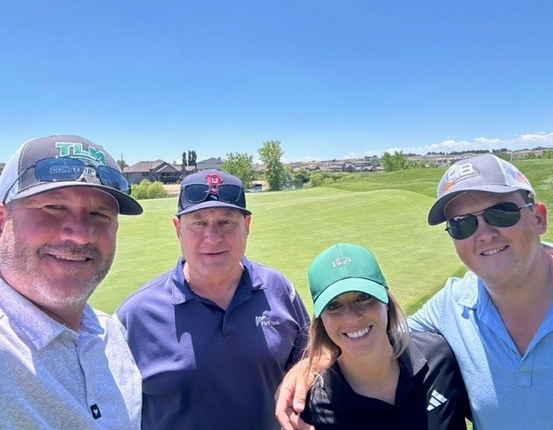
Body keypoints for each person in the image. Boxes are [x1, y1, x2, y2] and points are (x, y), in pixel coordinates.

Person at [276, 154, 553, 430]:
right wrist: (309, 367)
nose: (484, 234)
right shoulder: (450, 309)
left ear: (539, 217)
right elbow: (367, 334)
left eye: (501, 213)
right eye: (462, 224)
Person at [117, 169, 310, 430]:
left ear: (247, 226)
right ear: (178, 229)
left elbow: (313, 357)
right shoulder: (136, 314)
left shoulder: (278, 288)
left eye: (226, 222)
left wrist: (307, 366)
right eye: (198, 222)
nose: (213, 237)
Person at [0, 134, 143, 429]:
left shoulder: (110, 332)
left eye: (98, 214)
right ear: (3, 220)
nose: (80, 234)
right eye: (54, 207)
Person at [299, 243, 469, 429]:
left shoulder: (439, 357)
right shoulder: (314, 407)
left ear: (386, 301)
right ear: (321, 320)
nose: (352, 317)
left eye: (363, 297)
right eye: (333, 306)